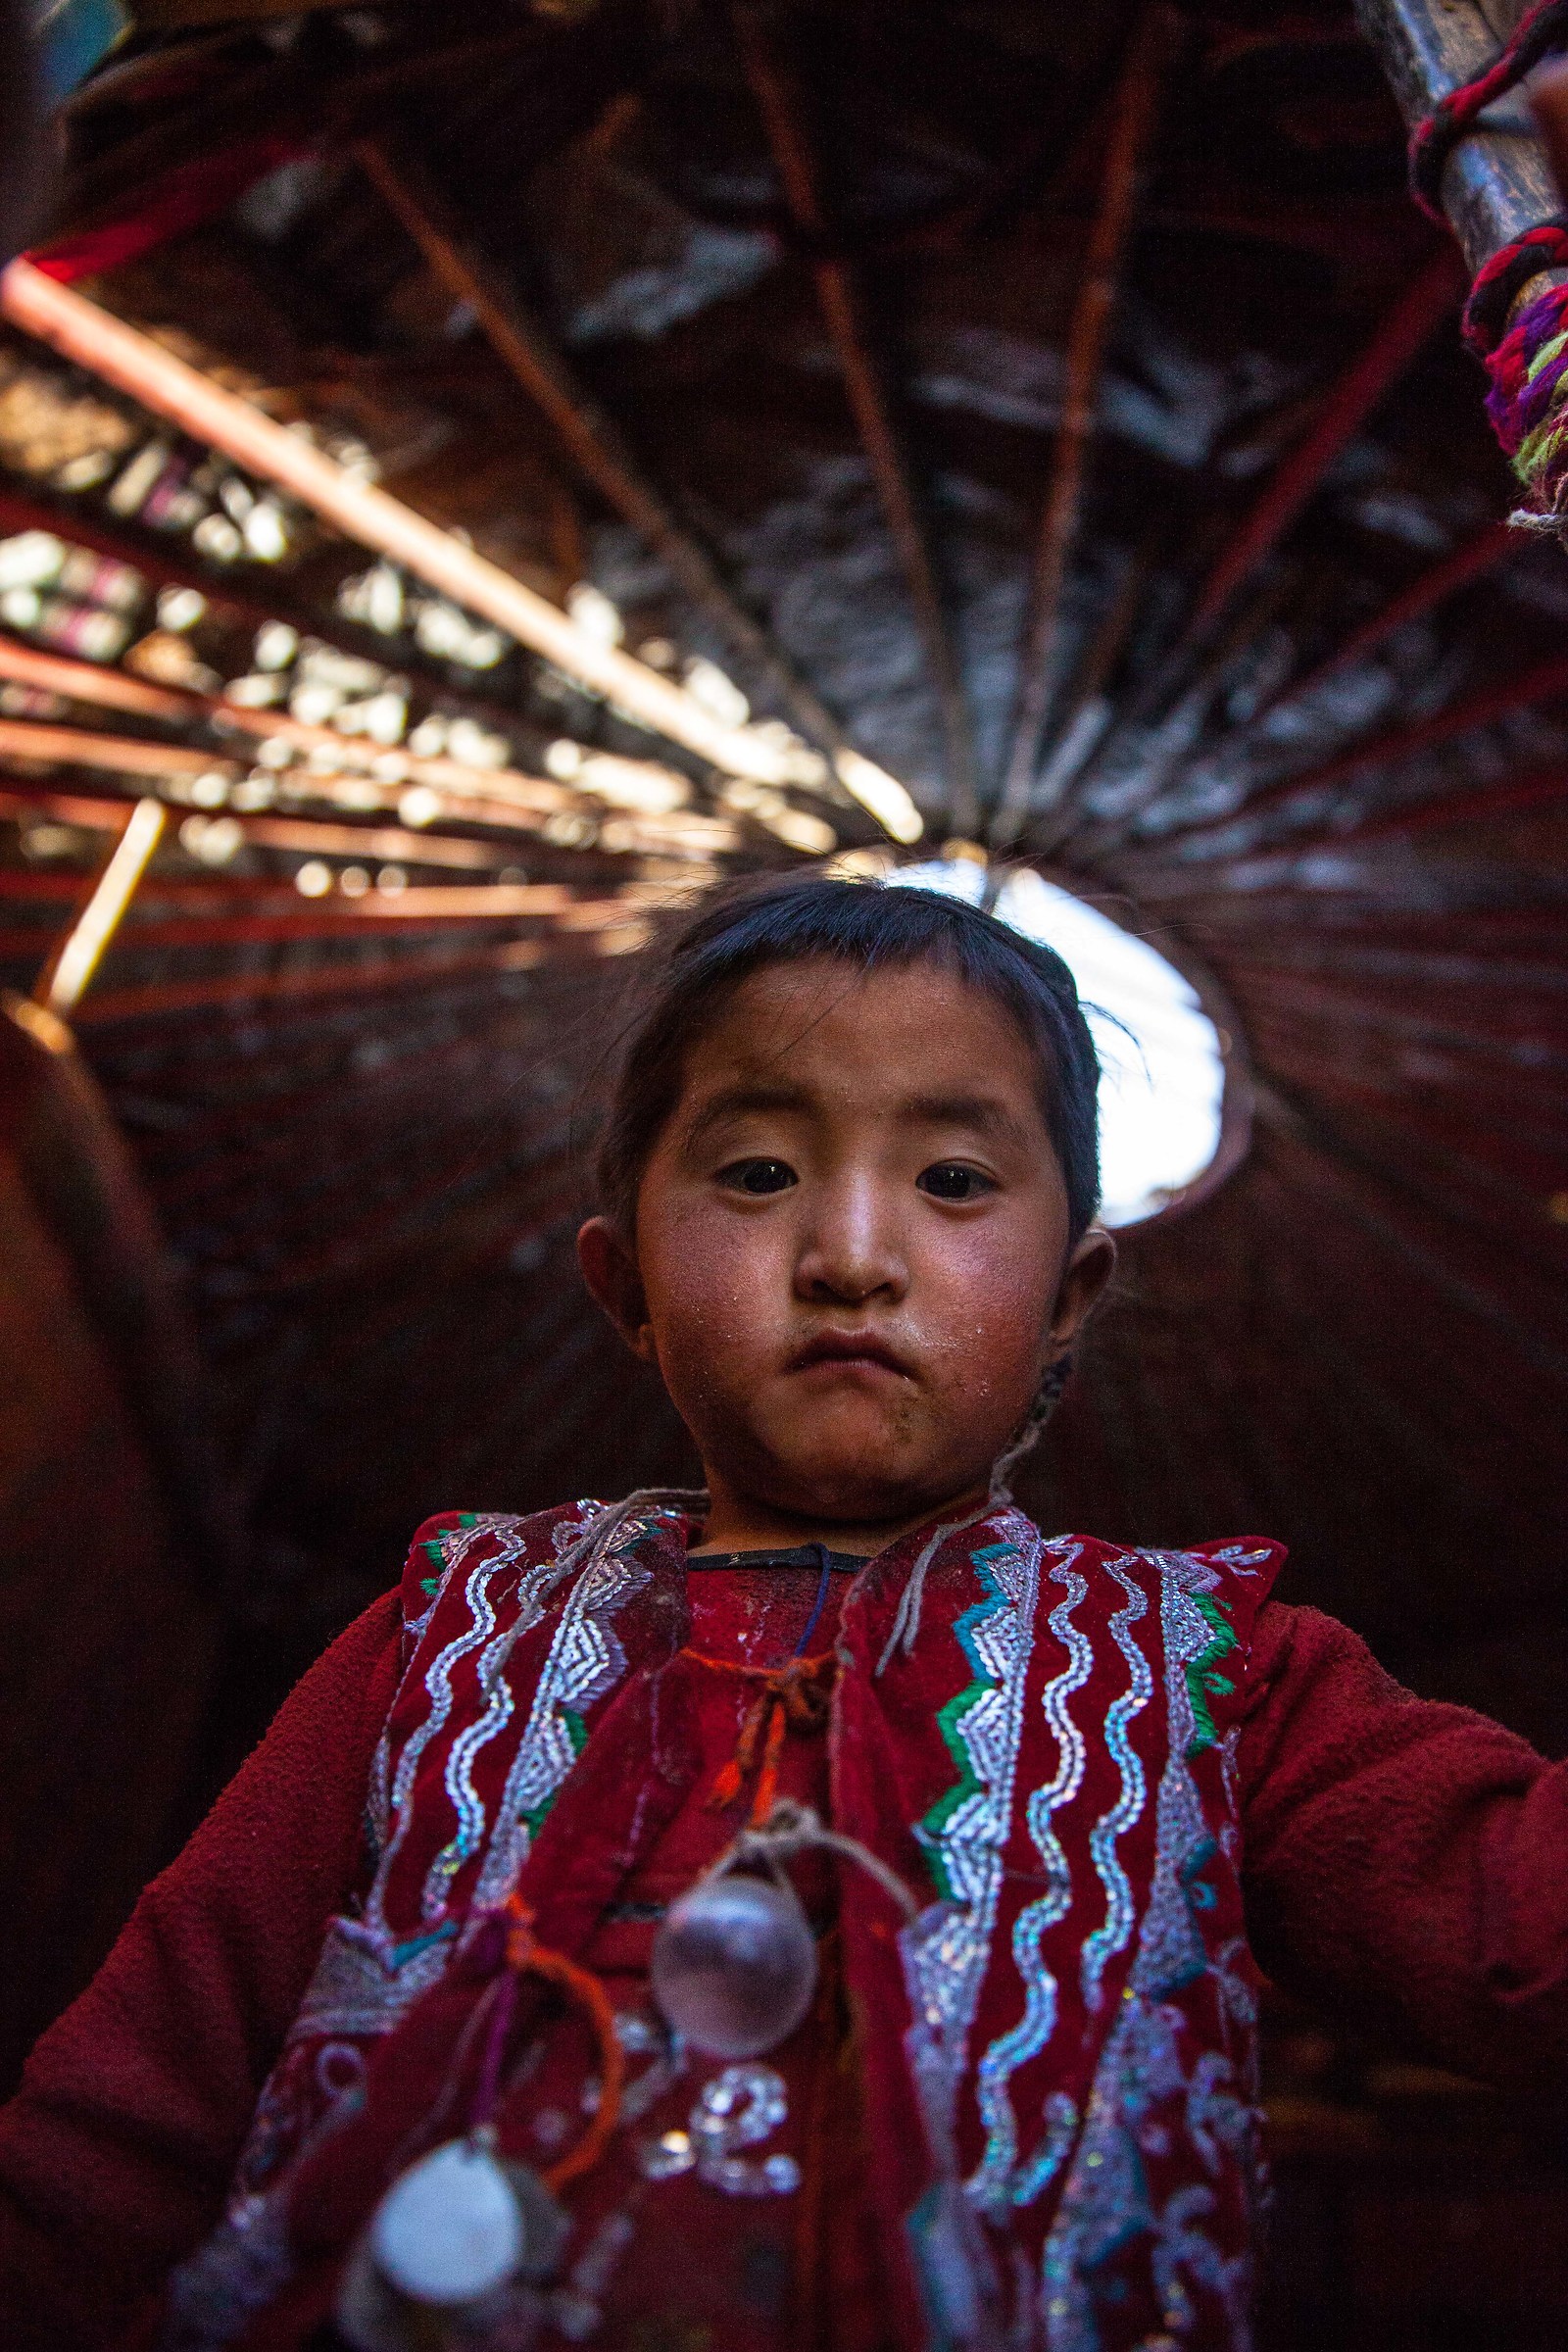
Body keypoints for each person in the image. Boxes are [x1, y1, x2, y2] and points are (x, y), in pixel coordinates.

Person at [1, 874, 1564, 2352]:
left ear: (1068, 1299)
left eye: (954, 1181)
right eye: (758, 1174)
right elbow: (127, 2118)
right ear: (626, 1288)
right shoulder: (454, 1634)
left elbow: (1525, 1933)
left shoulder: (1216, 1680)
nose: (851, 1257)